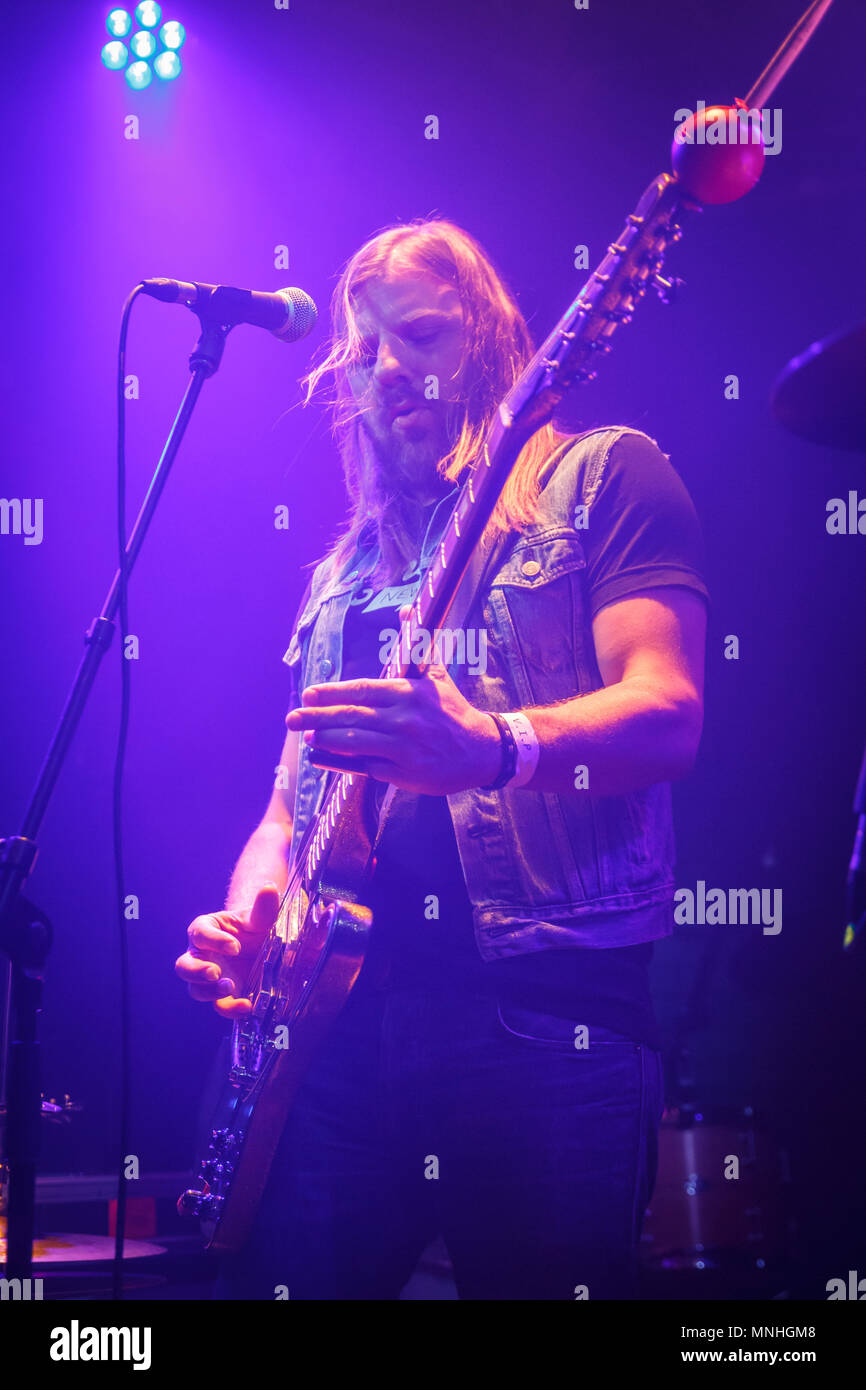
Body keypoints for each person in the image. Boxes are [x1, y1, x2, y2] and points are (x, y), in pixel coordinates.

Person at [175, 218, 708, 1300]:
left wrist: (492, 749)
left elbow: (667, 714)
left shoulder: (606, 476)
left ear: (495, 339)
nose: (391, 372)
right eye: (365, 354)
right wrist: (255, 912)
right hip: (329, 1038)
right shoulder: (340, 575)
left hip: (541, 1016)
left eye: (419, 334)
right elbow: (287, 809)